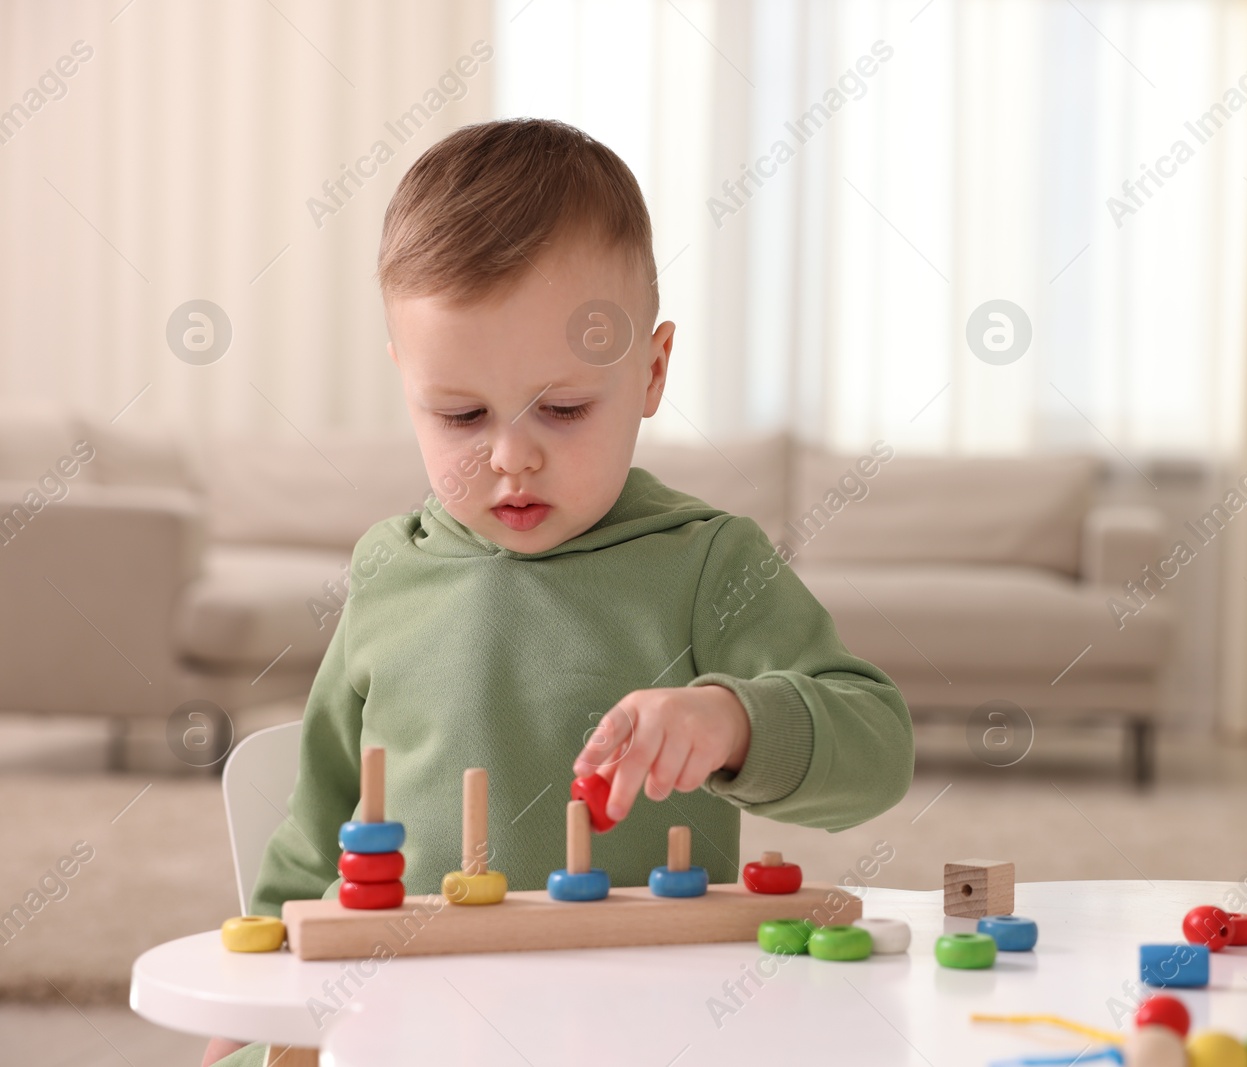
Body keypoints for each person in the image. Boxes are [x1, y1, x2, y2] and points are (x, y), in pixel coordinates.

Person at [203, 118, 914, 1066]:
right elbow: (315, 827)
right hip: (409, 1028)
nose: (511, 455)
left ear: (652, 371)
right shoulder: (387, 569)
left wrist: (734, 720)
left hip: (645, 1032)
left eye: (565, 408)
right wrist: (258, 1003)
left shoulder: (705, 562)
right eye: (459, 415)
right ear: (405, 385)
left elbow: (878, 748)